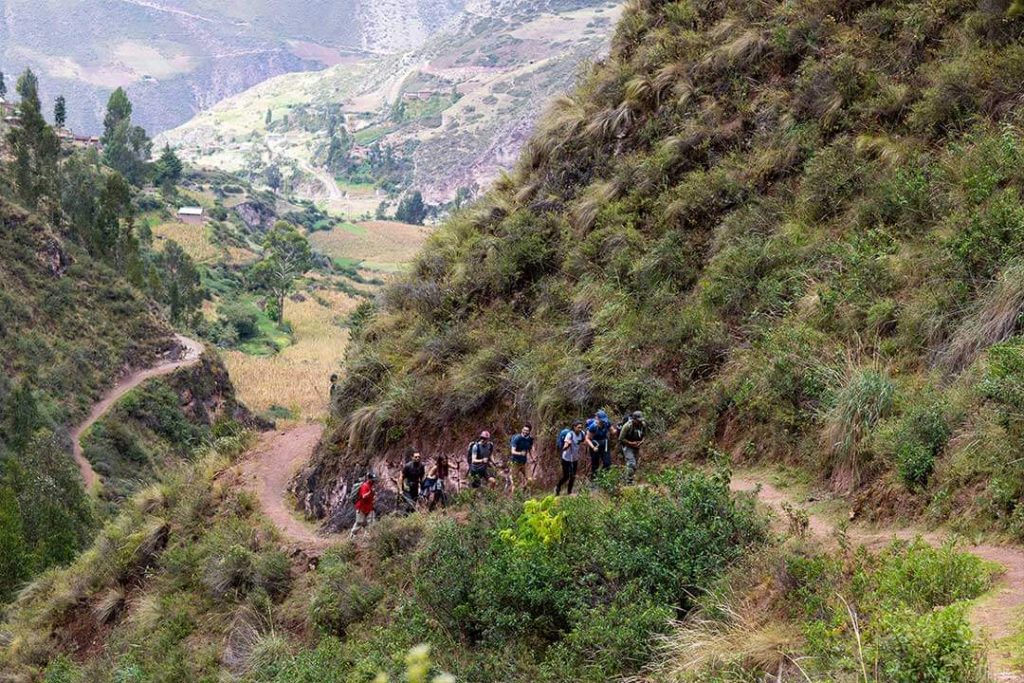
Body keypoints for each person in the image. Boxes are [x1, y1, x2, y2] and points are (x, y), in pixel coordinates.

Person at [556, 420, 584, 495]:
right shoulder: (569, 434)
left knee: (573, 476)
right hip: (566, 459)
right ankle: (558, 486)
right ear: (574, 427)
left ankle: (569, 492)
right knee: (566, 476)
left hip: (575, 459)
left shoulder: (582, 434)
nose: (580, 429)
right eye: (578, 427)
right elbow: (564, 448)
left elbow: (583, 441)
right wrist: (568, 444)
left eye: (581, 427)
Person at [585, 409, 613, 481]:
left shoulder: (607, 423)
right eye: (602, 419)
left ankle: (603, 479)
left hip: (605, 443)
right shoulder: (593, 426)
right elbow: (587, 438)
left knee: (607, 463)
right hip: (595, 444)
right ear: (597, 418)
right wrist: (593, 447)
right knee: (595, 464)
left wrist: (619, 429)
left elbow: (613, 431)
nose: (603, 421)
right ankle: (593, 482)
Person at [619, 411, 646, 484]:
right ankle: (629, 481)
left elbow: (644, 436)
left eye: (640, 420)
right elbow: (621, 438)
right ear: (634, 419)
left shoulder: (642, 425)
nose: (640, 422)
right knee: (631, 462)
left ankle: (625, 477)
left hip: (637, 446)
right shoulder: (627, 426)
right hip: (627, 446)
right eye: (638, 420)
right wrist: (631, 443)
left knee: (634, 464)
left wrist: (641, 442)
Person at [509, 423, 534, 493]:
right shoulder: (517, 438)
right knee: (515, 483)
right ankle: (512, 501)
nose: (525, 431)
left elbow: (529, 449)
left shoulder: (530, 439)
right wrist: (520, 453)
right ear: (522, 429)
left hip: (524, 463)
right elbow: (512, 451)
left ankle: (523, 490)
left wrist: (532, 458)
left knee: (530, 480)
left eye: (527, 430)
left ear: (529, 432)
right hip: (515, 463)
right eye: (524, 430)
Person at [350, 473, 376, 537]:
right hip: (361, 507)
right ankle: (353, 535)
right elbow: (363, 496)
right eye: (372, 480)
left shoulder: (371, 486)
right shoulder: (365, 486)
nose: (374, 481)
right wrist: (370, 492)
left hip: (369, 507)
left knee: (370, 522)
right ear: (369, 479)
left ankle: (367, 536)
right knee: (359, 522)